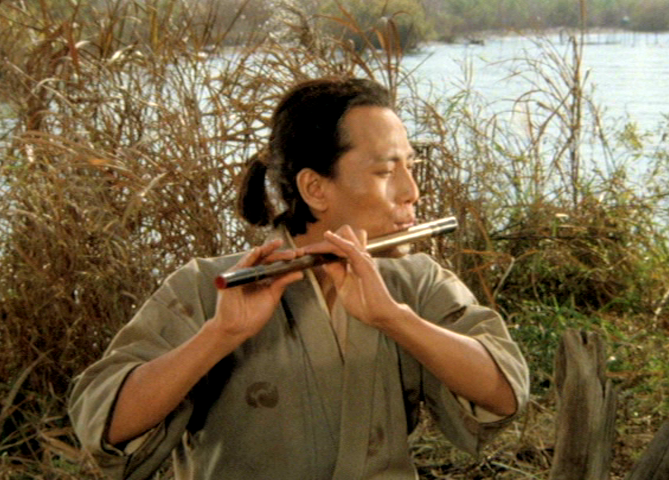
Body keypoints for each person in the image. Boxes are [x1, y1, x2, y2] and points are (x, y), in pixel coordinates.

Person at [69, 77, 529, 479]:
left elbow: (505, 394)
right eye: (387, 171)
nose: (412, 191)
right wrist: (219, 335)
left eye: (411, 167)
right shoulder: (210, 285)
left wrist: (395, 318)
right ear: (315, 188)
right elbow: (104, 426)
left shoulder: (416, 282)